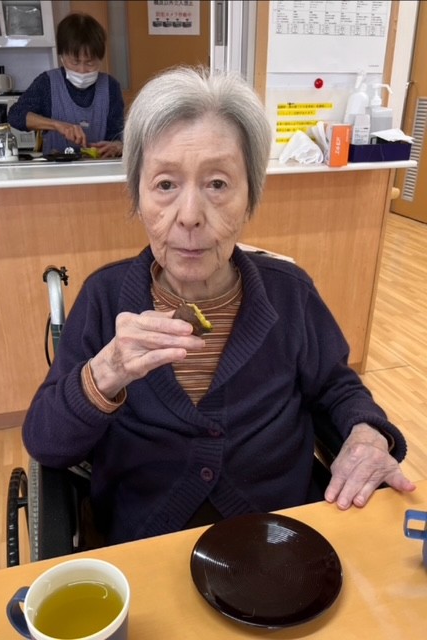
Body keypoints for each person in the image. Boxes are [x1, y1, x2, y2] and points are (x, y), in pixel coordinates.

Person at [22, 66, 415, 546]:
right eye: (165, 184)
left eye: (217, 184)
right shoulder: (105, 298)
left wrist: (367, 433)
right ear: (137, 197)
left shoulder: (290, 293)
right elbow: (46, 443)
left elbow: (337, 388)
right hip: (146, 547)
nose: (189, 216)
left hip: (281, 544)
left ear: (250, 198)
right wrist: (106, 374)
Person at [8, 12, 124, 158]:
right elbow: (16, 116)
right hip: (56, 168)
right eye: (75, 62)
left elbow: (117, 134)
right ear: (62, 56)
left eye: (90, 63)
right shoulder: (47, 83)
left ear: (100, 59)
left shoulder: (110, 87)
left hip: (99, 167)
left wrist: (118, 146)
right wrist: (57, 125)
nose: (82, 70)